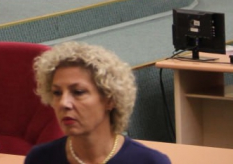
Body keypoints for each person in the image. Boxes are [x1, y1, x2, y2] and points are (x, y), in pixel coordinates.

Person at [25, 42, 171, 164]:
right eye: (57, 93)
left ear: (110, 99)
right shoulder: (40, 159)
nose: (64, 103)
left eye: (78, 92)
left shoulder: (150, 162)